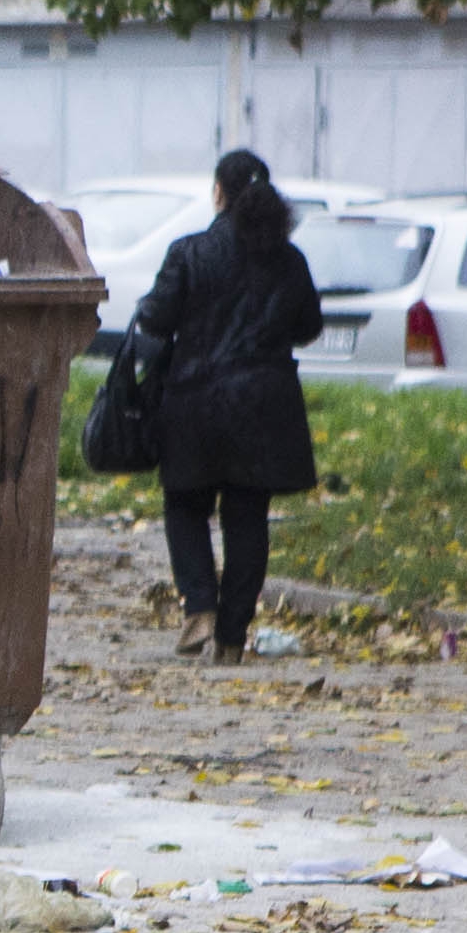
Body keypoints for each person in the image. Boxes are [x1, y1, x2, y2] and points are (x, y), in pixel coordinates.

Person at [136, 148, 322, 666]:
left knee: (185, 505)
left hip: (194, 401)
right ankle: (233, 638)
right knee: (247, 519)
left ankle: (200, 607)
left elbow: (156, 316)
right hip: (263, 408)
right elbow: (308, 328)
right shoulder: (290, 260)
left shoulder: (189, 252)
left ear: (219, 192)